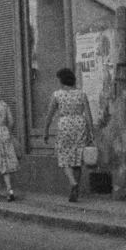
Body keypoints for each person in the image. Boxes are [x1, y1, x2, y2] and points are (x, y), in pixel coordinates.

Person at [42, 66, 95, 201]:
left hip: (65, 125)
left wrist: (46, 131)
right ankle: (75, 192)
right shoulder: (81, 94)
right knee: (77, 159)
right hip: (80, 125)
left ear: (61, 81)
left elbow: (49, 115)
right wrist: (91, 132)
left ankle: (73, 183)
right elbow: (88, 115)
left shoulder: (57, 95)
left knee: (64, 158)